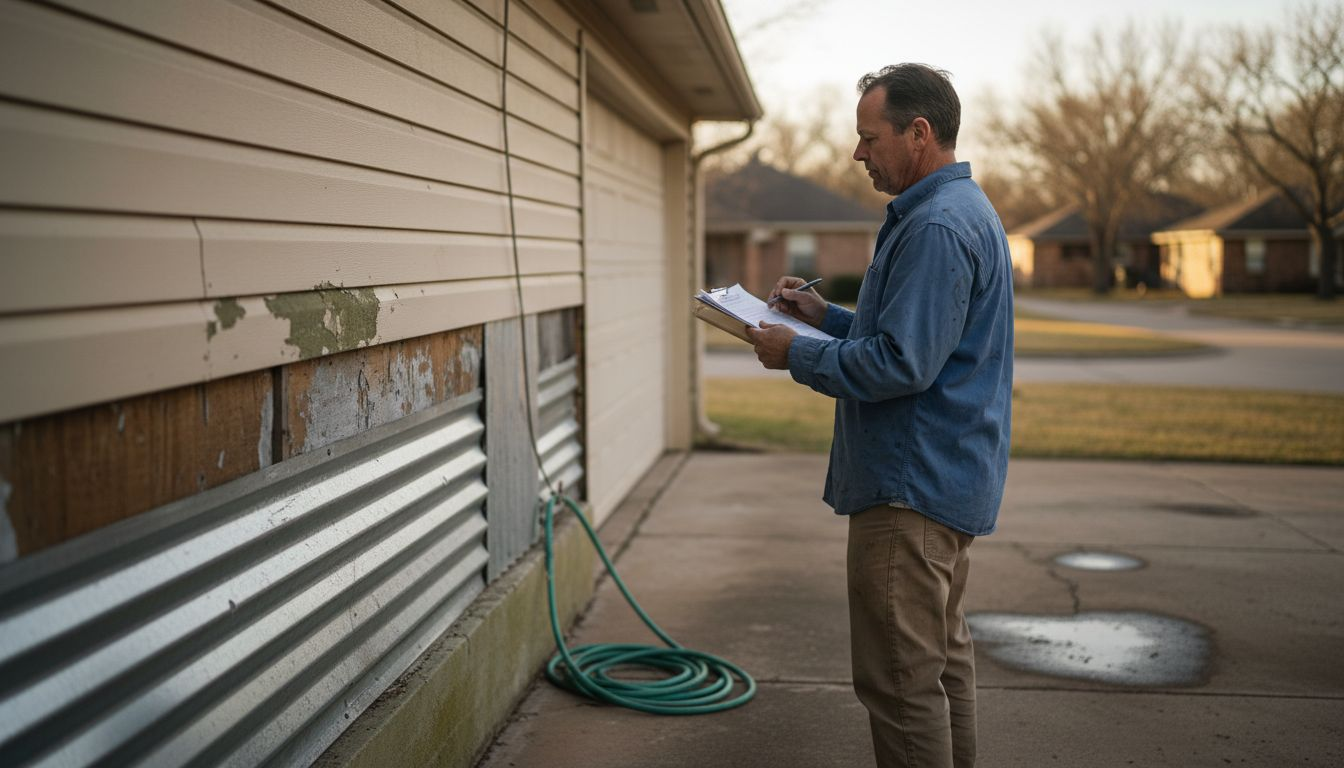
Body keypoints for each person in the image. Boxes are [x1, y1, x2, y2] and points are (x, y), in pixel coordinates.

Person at [745, 64, 1013, 768]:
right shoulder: (962, 210)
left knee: (900, 685)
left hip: (908, 492)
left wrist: (794, 353)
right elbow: (916, 337)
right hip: (945, 480)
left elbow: (901, 363)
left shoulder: (936, 226)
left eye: (870, 138)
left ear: (918, 133)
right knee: (940, 668)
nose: (858, 153)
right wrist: (822, 316)